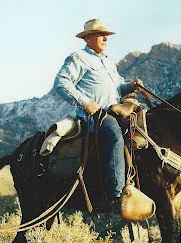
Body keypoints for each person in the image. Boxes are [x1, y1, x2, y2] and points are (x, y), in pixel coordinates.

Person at [53, 18, 143, 207]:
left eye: (107, 35)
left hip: (116, 110)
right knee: (114, 137)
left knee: (143, 129)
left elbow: (118, 88)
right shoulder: (78, 58)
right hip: (95, 115)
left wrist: (130, 86)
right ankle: (116, 194)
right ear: (88, 38)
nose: (105, 38)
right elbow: (61, 82)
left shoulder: (109, 62)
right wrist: (85, 103)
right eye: (101, 34)